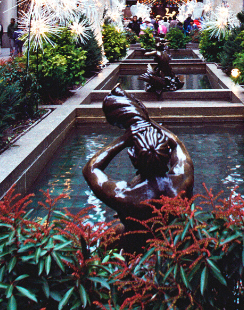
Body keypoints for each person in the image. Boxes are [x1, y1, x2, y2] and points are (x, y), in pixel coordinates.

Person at [83, 87, 194, 242]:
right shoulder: (183, 179)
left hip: (136, 247)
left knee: (106, 238)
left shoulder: (125, 195)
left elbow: (91, 168)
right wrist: (147, 123)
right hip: (175, 244)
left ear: (132, 158)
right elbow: (176, 143)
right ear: (168, 155)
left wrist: (122, 140)